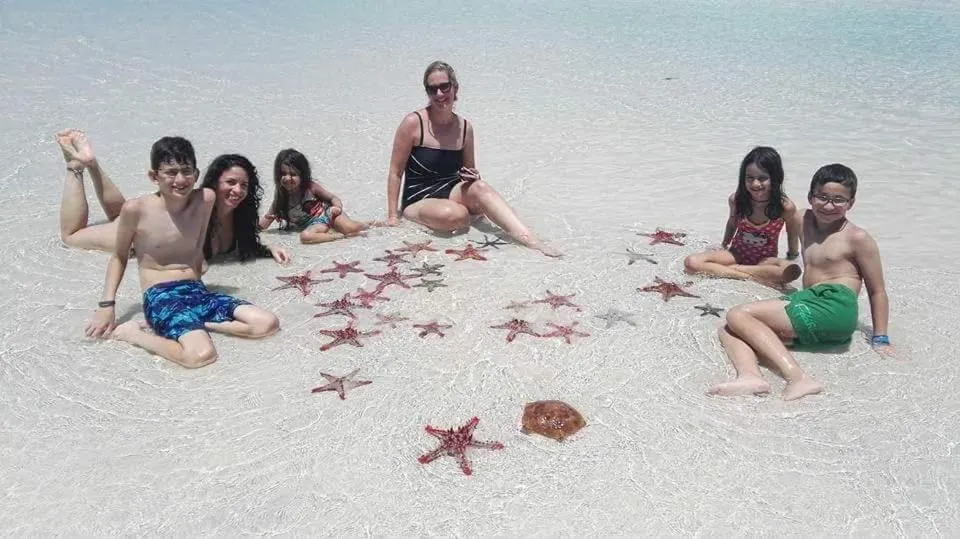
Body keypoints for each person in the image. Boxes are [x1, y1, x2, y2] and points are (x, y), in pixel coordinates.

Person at [84, 136, 280, 368]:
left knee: (267, 324)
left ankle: (202, 324)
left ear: (196, 175)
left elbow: (208, 231)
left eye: (187, 171)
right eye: (171, 172)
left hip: (198, 292)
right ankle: (132, 334)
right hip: (161, 295)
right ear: (153, 176)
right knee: (200, 356)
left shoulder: (205, 199)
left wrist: (267, 245)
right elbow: (119, 257)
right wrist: (107, 306)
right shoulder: (136, 210)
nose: (180, 179)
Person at [708, 164, 892, 401]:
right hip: (811, 308)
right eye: (822, 197)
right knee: (731, 330)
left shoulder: (858, 238)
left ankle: (798, 378)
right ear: (810, 197)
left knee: (738, 315)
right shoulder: (801, 218)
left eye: (838, 200)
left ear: (851, 203)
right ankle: (750, 376)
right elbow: (764, 203)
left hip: (835, 305)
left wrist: (881, 338)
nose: (828, 205)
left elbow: (877, 291)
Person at [385, 61, 561, 257]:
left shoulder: (465, 127)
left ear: (455, 88)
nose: (439, 94)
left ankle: (531, 241)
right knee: (456, 215)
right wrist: (393, 217)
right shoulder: (413, 123)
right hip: (419, 198)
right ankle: (468, 216)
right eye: (432, 89)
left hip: (451, 191)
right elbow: (395, 172)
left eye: (445, 87)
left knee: (481, 187)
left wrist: (473, 177)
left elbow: (469, 173)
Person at [55, 129, 289, 265]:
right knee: (71, 236)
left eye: (243, 185)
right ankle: (75, 166)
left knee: (121, 212)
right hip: (136, 242)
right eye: (230, 182)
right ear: (213, 184)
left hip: (139, 224)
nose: (237, 190)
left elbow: (249, 238)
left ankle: (93, 164)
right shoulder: (197, 206)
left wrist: (267, 247)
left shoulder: (240, 220)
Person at [684, 146, 802, 287]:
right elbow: (732, 224)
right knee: (691, 262)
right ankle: (747, 276)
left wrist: (792, 256)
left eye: (762, 178)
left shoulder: (784, 207)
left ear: (775, 178)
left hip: (766, 260)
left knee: (791, 271)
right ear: (743, 178)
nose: (755, 184)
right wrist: (724, 245)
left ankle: (731, 271)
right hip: (736, 254)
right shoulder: (737, 201)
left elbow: (792, 235)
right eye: (749, 178)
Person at [258, 148, 370, 244]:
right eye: (283, 174)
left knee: (351, 228)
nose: (287, 178)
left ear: (303, 175)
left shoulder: (310, 187)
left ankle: (370, 224)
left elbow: (332, 198)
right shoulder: (281, 198)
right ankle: (336, 236)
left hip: (328, 214)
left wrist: (337, 208)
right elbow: (266, 220)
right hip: (315, 225)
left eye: (293, 174)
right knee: (305, 237)